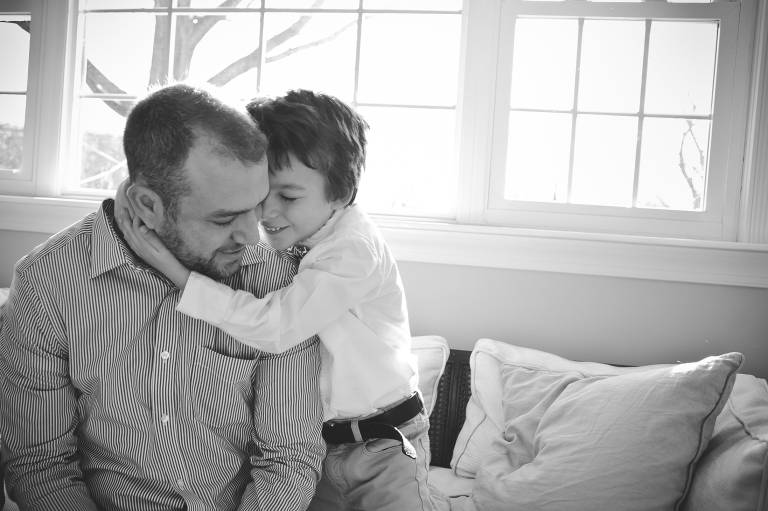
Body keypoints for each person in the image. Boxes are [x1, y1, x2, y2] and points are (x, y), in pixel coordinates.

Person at [0, 83, 325, 511]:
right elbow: (41, 465)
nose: (250, 235)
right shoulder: (48, 282)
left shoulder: (278, 278)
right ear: (148, 205)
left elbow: (289, 459)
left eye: (258, 205)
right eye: (224, 218)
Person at [117, 89, 440, 511]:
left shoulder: (353, 250)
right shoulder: (292, 243)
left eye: (287, 196)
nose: (266, 213)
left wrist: (181, 276)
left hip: (385, 445)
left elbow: (275, 327)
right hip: (323, 450)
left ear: (342, 194)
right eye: (262, 192)